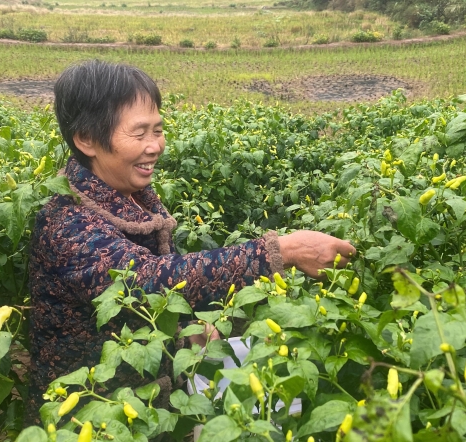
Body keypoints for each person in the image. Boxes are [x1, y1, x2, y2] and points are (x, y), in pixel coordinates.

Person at [25, 60, 355, 424]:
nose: (155, 146)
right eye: (139, 134)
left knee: (276, 400)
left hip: (147, 391)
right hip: (94, 414)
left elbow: (173, 276)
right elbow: (147, 280)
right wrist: (282, 251)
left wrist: (191, 325)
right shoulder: (66, 220)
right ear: (86, 139)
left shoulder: (126, 192)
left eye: (158, 130)